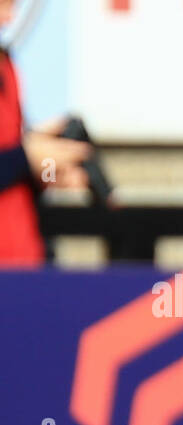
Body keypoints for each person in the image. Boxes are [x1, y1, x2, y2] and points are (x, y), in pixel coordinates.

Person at [0, 0, 90, 265]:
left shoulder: (8, 66)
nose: (10, 16)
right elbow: (18, 158)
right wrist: (28, 156)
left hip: (25, 257)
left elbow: (20, 161)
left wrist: (52, 169)